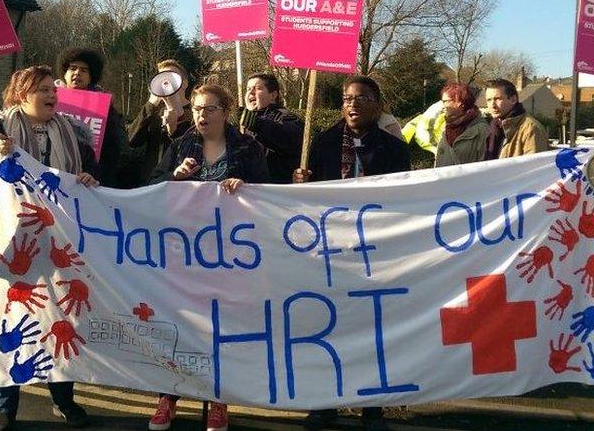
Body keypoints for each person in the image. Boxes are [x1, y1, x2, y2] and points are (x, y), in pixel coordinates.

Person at [0, 66, 98, 431]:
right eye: (43, 89)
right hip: (11, 247)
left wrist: (87, 180)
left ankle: (64, 399)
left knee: (62, 320)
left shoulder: (74, 136)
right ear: (22, 95)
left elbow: (91, 185)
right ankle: (6, 404)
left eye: (54, 89)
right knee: (9, 322)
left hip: (60, 249)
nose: (53, 94)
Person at [148, 84, 268, 431]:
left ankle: (218, 401)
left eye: (209, 109)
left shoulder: (248, 147)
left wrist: (244, 185)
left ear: (225, 112)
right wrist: (176, 176)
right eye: (197, 108)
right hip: (184, 254)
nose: (201, 115)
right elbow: (153, 186)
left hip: (230, 257)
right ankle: (168, 397)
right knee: (179, 323)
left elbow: (267, 191)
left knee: (221, 327)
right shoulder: (181, 145)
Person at [292, 76, 410, 431]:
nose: (352, 105)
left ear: (377, 103)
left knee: (371, 329)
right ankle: (325, 402)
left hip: (375, 253)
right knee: (330, 326)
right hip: (331, 251)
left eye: (361, 99)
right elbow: (306, 198)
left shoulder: (393, 149)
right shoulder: (324, 143)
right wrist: (300, 182)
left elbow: (403, 198)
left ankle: (371, 407)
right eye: (346, 99)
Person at [57, 47, 134, 188]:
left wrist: (96, 175)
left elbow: (113, 149)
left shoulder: (105, 108)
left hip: (90, 180)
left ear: (91, 77)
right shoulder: (51, 100)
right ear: (65, 72)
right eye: (73, 68)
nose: (77, 73)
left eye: (84, 70)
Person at [127, 59, 193, 187]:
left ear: (184, 83)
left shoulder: (197, 112)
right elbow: (131, 140)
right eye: (162, 78)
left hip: (181, 184)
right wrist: (151, 105)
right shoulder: (153, 112)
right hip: (150, 183)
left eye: (171, 77)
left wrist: (178, 117)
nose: (166, 83)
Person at [237, 72, 304, 184]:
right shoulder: (245, 122)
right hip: (250, 190)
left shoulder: (286, 117)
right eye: (248, 89)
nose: (251, 93)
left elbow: (290, 138)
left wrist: (256, 123)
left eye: (257, 88)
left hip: (276, 190)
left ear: (273, 95)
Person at [482, 78, 549, 159]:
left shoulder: (531, 129)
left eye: (498, 99)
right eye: (489, 100)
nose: (492, 105)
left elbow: (534, 167)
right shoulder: (493, 128)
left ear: (513, 100)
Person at [434, 82, 488, 167]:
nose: (442, 106)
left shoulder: (482, 129)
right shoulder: (446, 127)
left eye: (446, 101)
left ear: (460, 102)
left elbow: (486, 165)